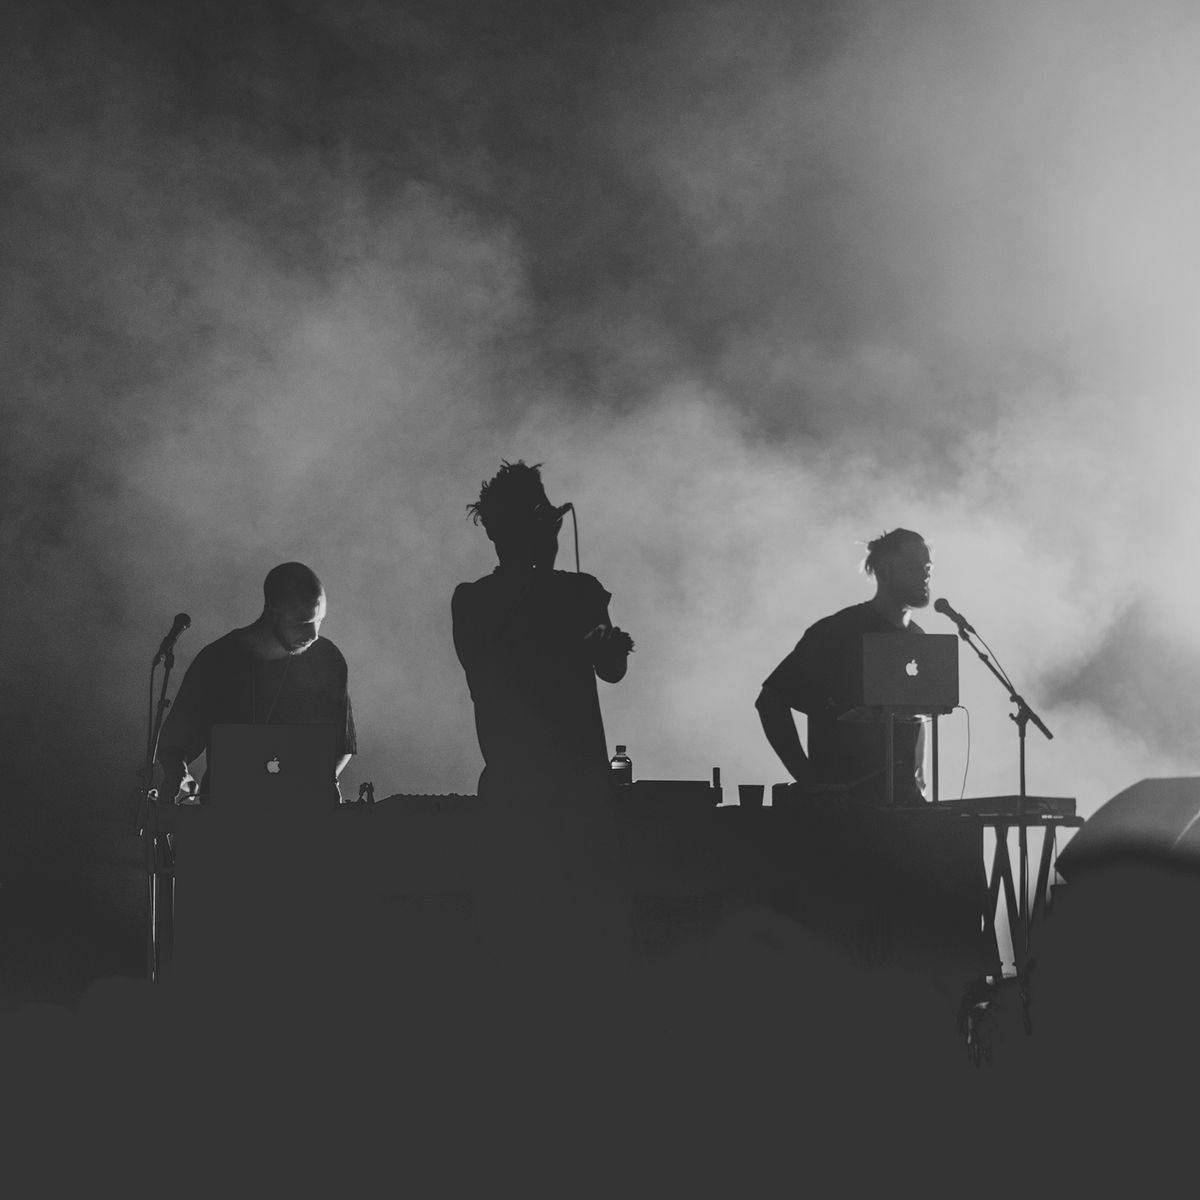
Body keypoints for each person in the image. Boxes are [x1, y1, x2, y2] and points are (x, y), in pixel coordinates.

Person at [452, 460, 635, 982]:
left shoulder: (474, 601)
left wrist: (605, 644)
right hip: (571, 798)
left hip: (521, 792)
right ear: (536, 527)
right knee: (588, 951)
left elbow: (611, 667)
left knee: (520, 951)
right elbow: (612, 671)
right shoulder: (563, 594)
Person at [755, 529, 932, 806]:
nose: (924, 575)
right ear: (884, 570)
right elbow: (771, 700)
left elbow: (918, 720)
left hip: (904, 808)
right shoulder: (838, 632)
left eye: (927, 567)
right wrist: (809, 780)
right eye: (914, 566)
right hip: (846, 810)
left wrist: (918, 786)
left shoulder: (919, 639)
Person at [157, 561, 356, 804]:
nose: (313, 634)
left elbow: (342, 745)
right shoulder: (217, 659)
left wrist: (326, 780)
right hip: (226, 816)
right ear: (272, 612)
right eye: (303, 623)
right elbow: (174, 743)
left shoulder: (327, 660)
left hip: (304, 815)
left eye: (320, 620)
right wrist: (178, 772)